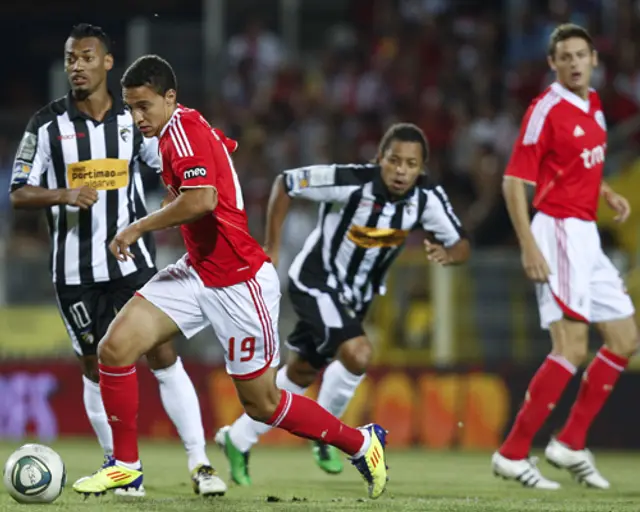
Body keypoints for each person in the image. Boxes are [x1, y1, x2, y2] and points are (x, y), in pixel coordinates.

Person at [71, 54, 389, 500]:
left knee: (262, 404)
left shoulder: (182, 132)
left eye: (144, 106)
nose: (137, 117)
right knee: (115, 347)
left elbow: (202, 199)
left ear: (170, 97)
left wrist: (139, 225)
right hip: (198, 272)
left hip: (240, 283)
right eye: (130, 107)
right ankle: (125, 466)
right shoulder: (172, 131)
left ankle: (361, 443)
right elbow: (214, 155)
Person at [9, 24, 224, 497]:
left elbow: (165, 165)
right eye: (70, 58)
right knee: (94, 365)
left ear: (107, 62)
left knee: (163, 353)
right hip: (74, 272)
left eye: (87, 57)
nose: (77, 66)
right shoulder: (46, 126)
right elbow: (18, 191)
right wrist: (64, 193)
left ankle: (201, 462)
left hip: (133, 263)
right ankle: (124, 469)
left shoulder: (133, 122)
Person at [214, 123, 470, 484]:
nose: (401, 170)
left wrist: (448, 252)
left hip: (355, 299)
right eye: (393, 160)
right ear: (379, 158)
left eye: (410, 164)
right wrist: (273, 245)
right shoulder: (349, 179)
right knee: (359, 353)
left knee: (301, 372)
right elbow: (285, 183)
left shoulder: (427, 199)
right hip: (314, 283)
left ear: (421, 168)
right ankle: (328, 437)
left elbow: (461, 243)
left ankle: (236, 439)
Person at [492, 23, 637, 490]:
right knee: (571, 348)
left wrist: (607, 193)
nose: (574, 63)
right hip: (556, 231)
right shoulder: (545, 109)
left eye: (581, 55)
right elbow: (515, 181)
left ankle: (570, 442)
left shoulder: (593, 104)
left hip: (586, 232)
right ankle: (512, 453)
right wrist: (529, 245)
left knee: (624, 338)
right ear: (552, 64)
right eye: (565, 57)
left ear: (594, 58)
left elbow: (576, 164)